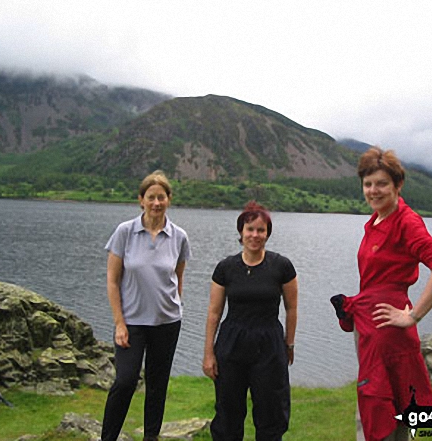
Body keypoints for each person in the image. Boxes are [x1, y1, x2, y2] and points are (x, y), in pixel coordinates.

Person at [331, 147, 432, 441]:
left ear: (398, 185)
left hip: (388, 330)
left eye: (382, 184)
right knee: (381, 399)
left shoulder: (406, 222)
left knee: (383, 399)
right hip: (369, 326)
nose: (373, 190)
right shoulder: (375, 221)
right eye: (368, 184)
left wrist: (412, 315)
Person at [101, 170, 191, 441]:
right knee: (125, 381)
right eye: (150, 197)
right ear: (141, 200)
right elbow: (112, 281)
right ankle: (108, 437)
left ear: (169, 199)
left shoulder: (179, 237)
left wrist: (174, 306)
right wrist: (119, 322)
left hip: (167, 323)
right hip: (132, 323)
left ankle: (150, 437)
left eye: (161, 197)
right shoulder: (125, 232)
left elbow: (178, 277)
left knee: (157, 385)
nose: (156, 203)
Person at [202, 201, 298, 441]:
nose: (255, 235)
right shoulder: (225, 268)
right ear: (241, 232)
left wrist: (289, 344)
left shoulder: (282, 266)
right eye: (250, 229)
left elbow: (291, 307)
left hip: (269, 343)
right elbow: (214, 313)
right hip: (231, 343)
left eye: (260, 230)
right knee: (228, 410)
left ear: (267, 233)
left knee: (271, 409)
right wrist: (208, 353)